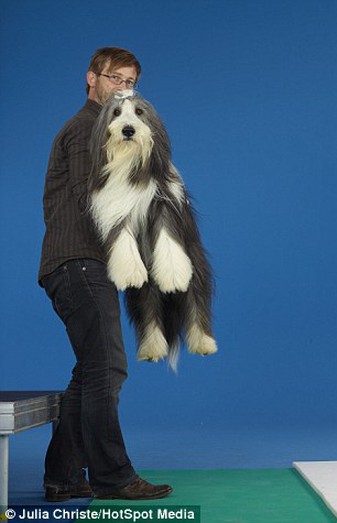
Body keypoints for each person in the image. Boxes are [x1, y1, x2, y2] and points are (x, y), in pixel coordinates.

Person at [38, 47, 173, 501]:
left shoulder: (111, 130)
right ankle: (113, 477)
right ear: (91, 78)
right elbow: (88, 197)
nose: (121, 87)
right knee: (107, 369)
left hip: (80, 265)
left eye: (129, 81)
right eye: (114, 78)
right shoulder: (84, 129)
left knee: (90, 372)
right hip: (79, 263)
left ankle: (61, 478)